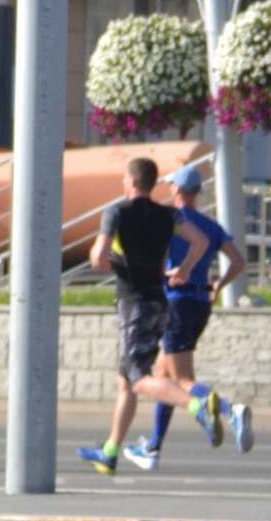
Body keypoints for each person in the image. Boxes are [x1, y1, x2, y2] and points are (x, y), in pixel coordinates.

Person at [76, 158, 230, 474]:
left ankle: (197, 405)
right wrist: (185, 269)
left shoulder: (117, 212)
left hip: (135, 305)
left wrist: (100, 255)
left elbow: (99, 257)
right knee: (126, 381)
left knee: (140, 379)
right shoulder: (168, 214)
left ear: (131, 182)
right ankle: (110, 451)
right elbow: (200, 241)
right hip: (161, 303)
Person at [122, 164, 252, 469]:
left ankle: (231, 412)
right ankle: (153, 448)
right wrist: (219, 284)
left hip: (176, 302)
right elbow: (238, 261)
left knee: (182, 379)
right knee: (164, 376)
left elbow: (160, 255)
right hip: (200, 301)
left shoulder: (173, 219)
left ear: (178, 190)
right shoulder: (209, 225)